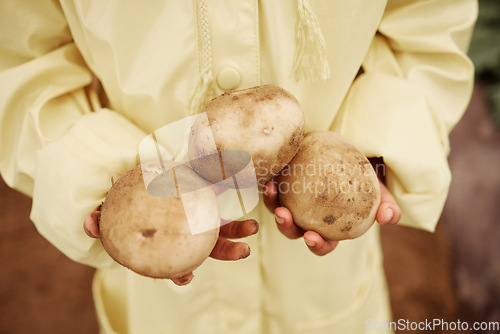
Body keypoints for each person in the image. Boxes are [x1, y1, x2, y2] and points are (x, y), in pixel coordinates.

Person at [0, 0, 476, 333]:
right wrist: (101, 175)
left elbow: (427, 24)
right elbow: (25, 60)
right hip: (159, 252)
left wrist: (374, 148)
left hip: (318, 270)